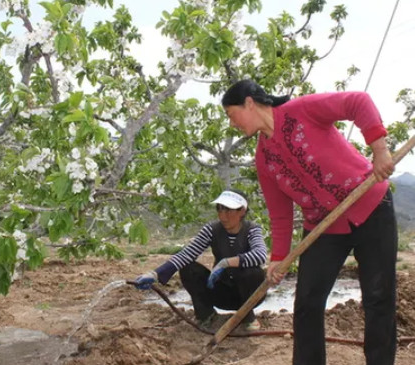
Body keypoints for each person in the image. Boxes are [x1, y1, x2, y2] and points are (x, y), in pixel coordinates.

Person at [221, 79, 398, 365]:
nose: (232, 124)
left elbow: (358, 101)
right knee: (307, 303)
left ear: (249, 103)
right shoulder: (263, 159)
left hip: (371, 207)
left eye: (232, 114)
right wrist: (279, 257)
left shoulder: (301, 110)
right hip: (324, 226)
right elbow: (280, 214)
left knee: (378, 298)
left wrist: (379, 151)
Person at [134, 189, 267, 332]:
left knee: (252, 272)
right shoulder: (211, 229)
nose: (223, 216)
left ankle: (247, 316)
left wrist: (226, 262)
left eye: (228, 211)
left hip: (249, 294)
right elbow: (186, 254)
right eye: (220, 210)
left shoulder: (252, 230)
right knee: (188, 267)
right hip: (221, 293)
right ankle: (206, 315)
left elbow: (260, 255)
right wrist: (155, 274)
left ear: (242, 211)